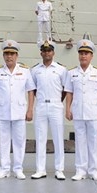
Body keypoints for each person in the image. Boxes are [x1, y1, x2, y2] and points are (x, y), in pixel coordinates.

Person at [0, 40, 36, 180]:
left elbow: (31, 91)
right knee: (3, 141)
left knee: (19, 141)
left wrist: (30, 110)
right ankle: (4, 169)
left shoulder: (25, 71)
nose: (9, 57)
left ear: (17, 56)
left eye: (12, 54)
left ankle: (18, 169)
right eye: (7, 54)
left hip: (19, 111)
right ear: (3, 56)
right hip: (2, 111)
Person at [64, 39, 97, 181]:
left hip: (93, 111)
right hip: (78, 111)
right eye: (81, 53)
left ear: (91, 56)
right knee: (80, 141)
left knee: (93, 142)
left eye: (86, 53)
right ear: (78, 55)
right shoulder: (72, 73)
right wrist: (67, 109)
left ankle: (94, 170)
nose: (83, 56)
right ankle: (80, 170)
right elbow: (69, 92)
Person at [29, 40, 66, 180]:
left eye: (49, 51)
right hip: (41, 106)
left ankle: (59, 169)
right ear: (41, 53)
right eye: (44, 51)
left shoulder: (61, 69)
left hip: (56, 105)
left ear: (53, 53)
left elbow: (65, 89)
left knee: (58, 138)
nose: (46, 53)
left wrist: (57, 101)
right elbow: (33, 89)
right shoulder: (35, 70)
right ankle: (40, 169)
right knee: (40, 138)